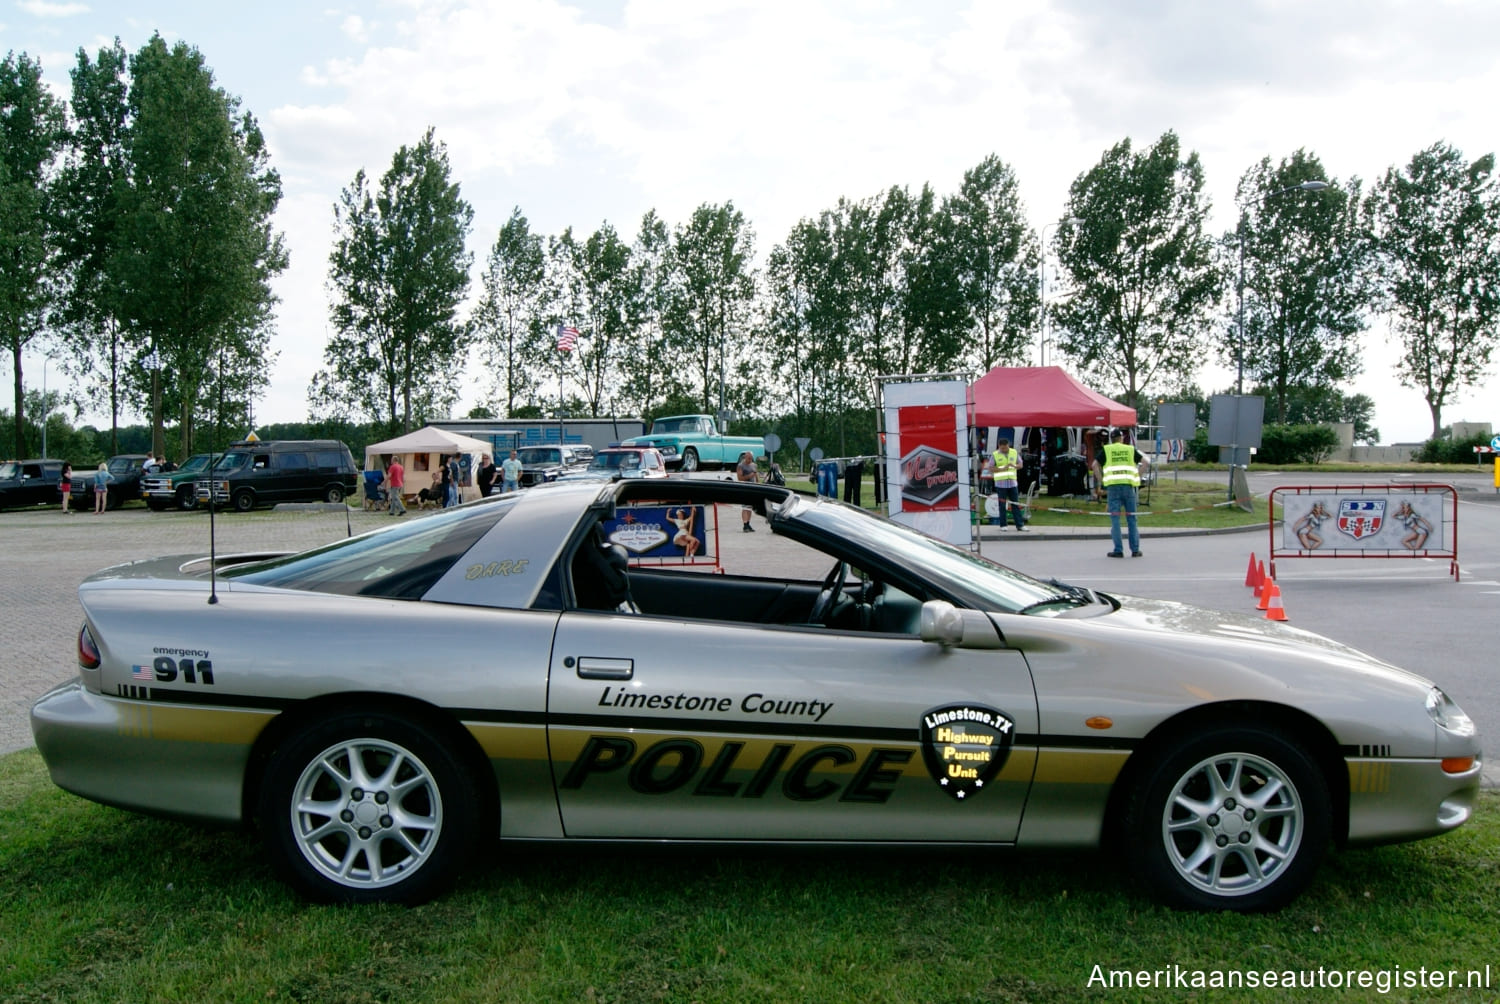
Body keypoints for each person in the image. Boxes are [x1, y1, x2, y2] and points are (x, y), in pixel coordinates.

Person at [1093, 429, 1146, 558]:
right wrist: (1137, 478)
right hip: (1128, 487)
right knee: (1132, 519)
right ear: (1122, 438)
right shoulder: (1130, 449)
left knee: (1115, 519)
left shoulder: (1107, 450)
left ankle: (1118, 550)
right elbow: (1146, 462)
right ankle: (1135, 550)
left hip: (1113, 488)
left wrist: (1102, 481)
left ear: (1112, 439)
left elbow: (1094, 465)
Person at [990, 437, 1025, 532]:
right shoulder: (995, 454)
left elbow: (1021, 465)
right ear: (999, 446)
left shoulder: (1014, 452)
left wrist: (1015, 466)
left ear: (1008, 445)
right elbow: (991, 468)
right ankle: (1003, 525)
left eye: (1005, 448)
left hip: (1012, 483)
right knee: (1002, 505)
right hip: (1001, 484)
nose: (1004, 450)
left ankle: (1020, 525)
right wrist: (1002, 469)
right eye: (1002, 448)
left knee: (1015, 504)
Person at [736, 450, 758, 532]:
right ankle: (744, 525)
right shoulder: (741, 466)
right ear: (745, 457)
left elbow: (756, 476)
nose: (750, 460)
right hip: (744, 488)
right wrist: (750, 476)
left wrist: (758, 485)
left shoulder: (754, 465)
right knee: (745, 507)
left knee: (750, 507)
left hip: (753, 488)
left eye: (751, 458)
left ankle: (748, 524)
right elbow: (740, 478)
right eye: (748, 458)